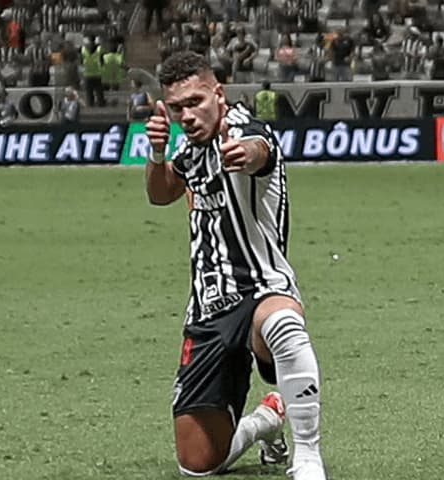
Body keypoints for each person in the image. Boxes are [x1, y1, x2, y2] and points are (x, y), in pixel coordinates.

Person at [144, 51, 327, 480]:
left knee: (281, 321)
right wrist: (156, 155)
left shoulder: (240, 128)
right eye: (177, 108)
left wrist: (244, 154)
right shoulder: (191, 150)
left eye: (195, 102)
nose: (186, 115)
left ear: (218, 94)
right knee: (198, 465)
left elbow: (259, 149)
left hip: (261, 289)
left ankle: (308, 457)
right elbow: (160, 193)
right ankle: (266, 419)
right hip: (208, 311)